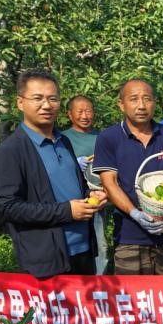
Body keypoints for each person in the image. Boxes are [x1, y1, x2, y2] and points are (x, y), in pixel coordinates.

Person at [0, 70, 107, 278]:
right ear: (20, 103)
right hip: (47, 258)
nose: (46, 105)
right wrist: (66, 211)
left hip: (84, 250)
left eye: (52, 99)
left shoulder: (64, 141)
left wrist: (91, 195)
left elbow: (77, 185)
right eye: (37, 98)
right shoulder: (11, 150)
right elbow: (8, 208)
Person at [93, 79, 163, 275]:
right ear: (121, 104)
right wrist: (135, 213)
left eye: (147, 99)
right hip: (130, 237)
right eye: (133, 99)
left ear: (155, 103)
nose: (141, 106)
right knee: (132, 292)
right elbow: (109, 183)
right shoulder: (109, 137)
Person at [63, 95, 108, 275]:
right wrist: (74, 163)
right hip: (71, 200)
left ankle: (99, 284)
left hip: (97, 199)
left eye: (88, 111)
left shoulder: (102, 138)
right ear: (69, 114)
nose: (84, 116)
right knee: (73, 244)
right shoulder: (62, 138)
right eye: (79, 111)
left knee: (100, 244)